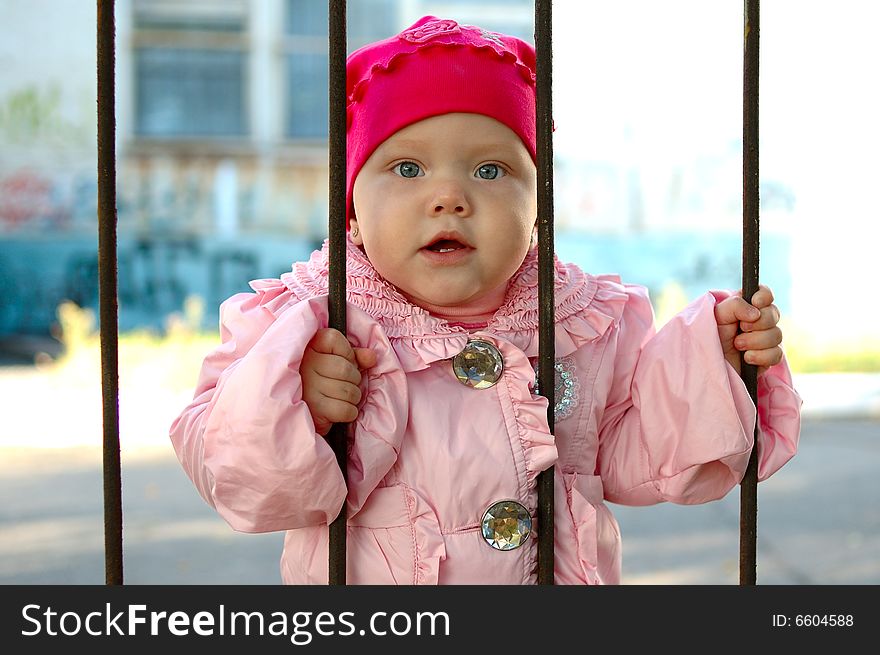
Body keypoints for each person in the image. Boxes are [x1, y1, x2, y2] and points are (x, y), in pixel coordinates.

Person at [170, 16, 801, 585]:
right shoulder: (309, 321)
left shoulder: (578, 321)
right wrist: (292, 402)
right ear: (353, 207)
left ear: (537, 207)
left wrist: (715, 363)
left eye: (491, 170)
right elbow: (229, 470)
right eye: (408, 169)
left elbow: (639, 457)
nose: (449, 196)